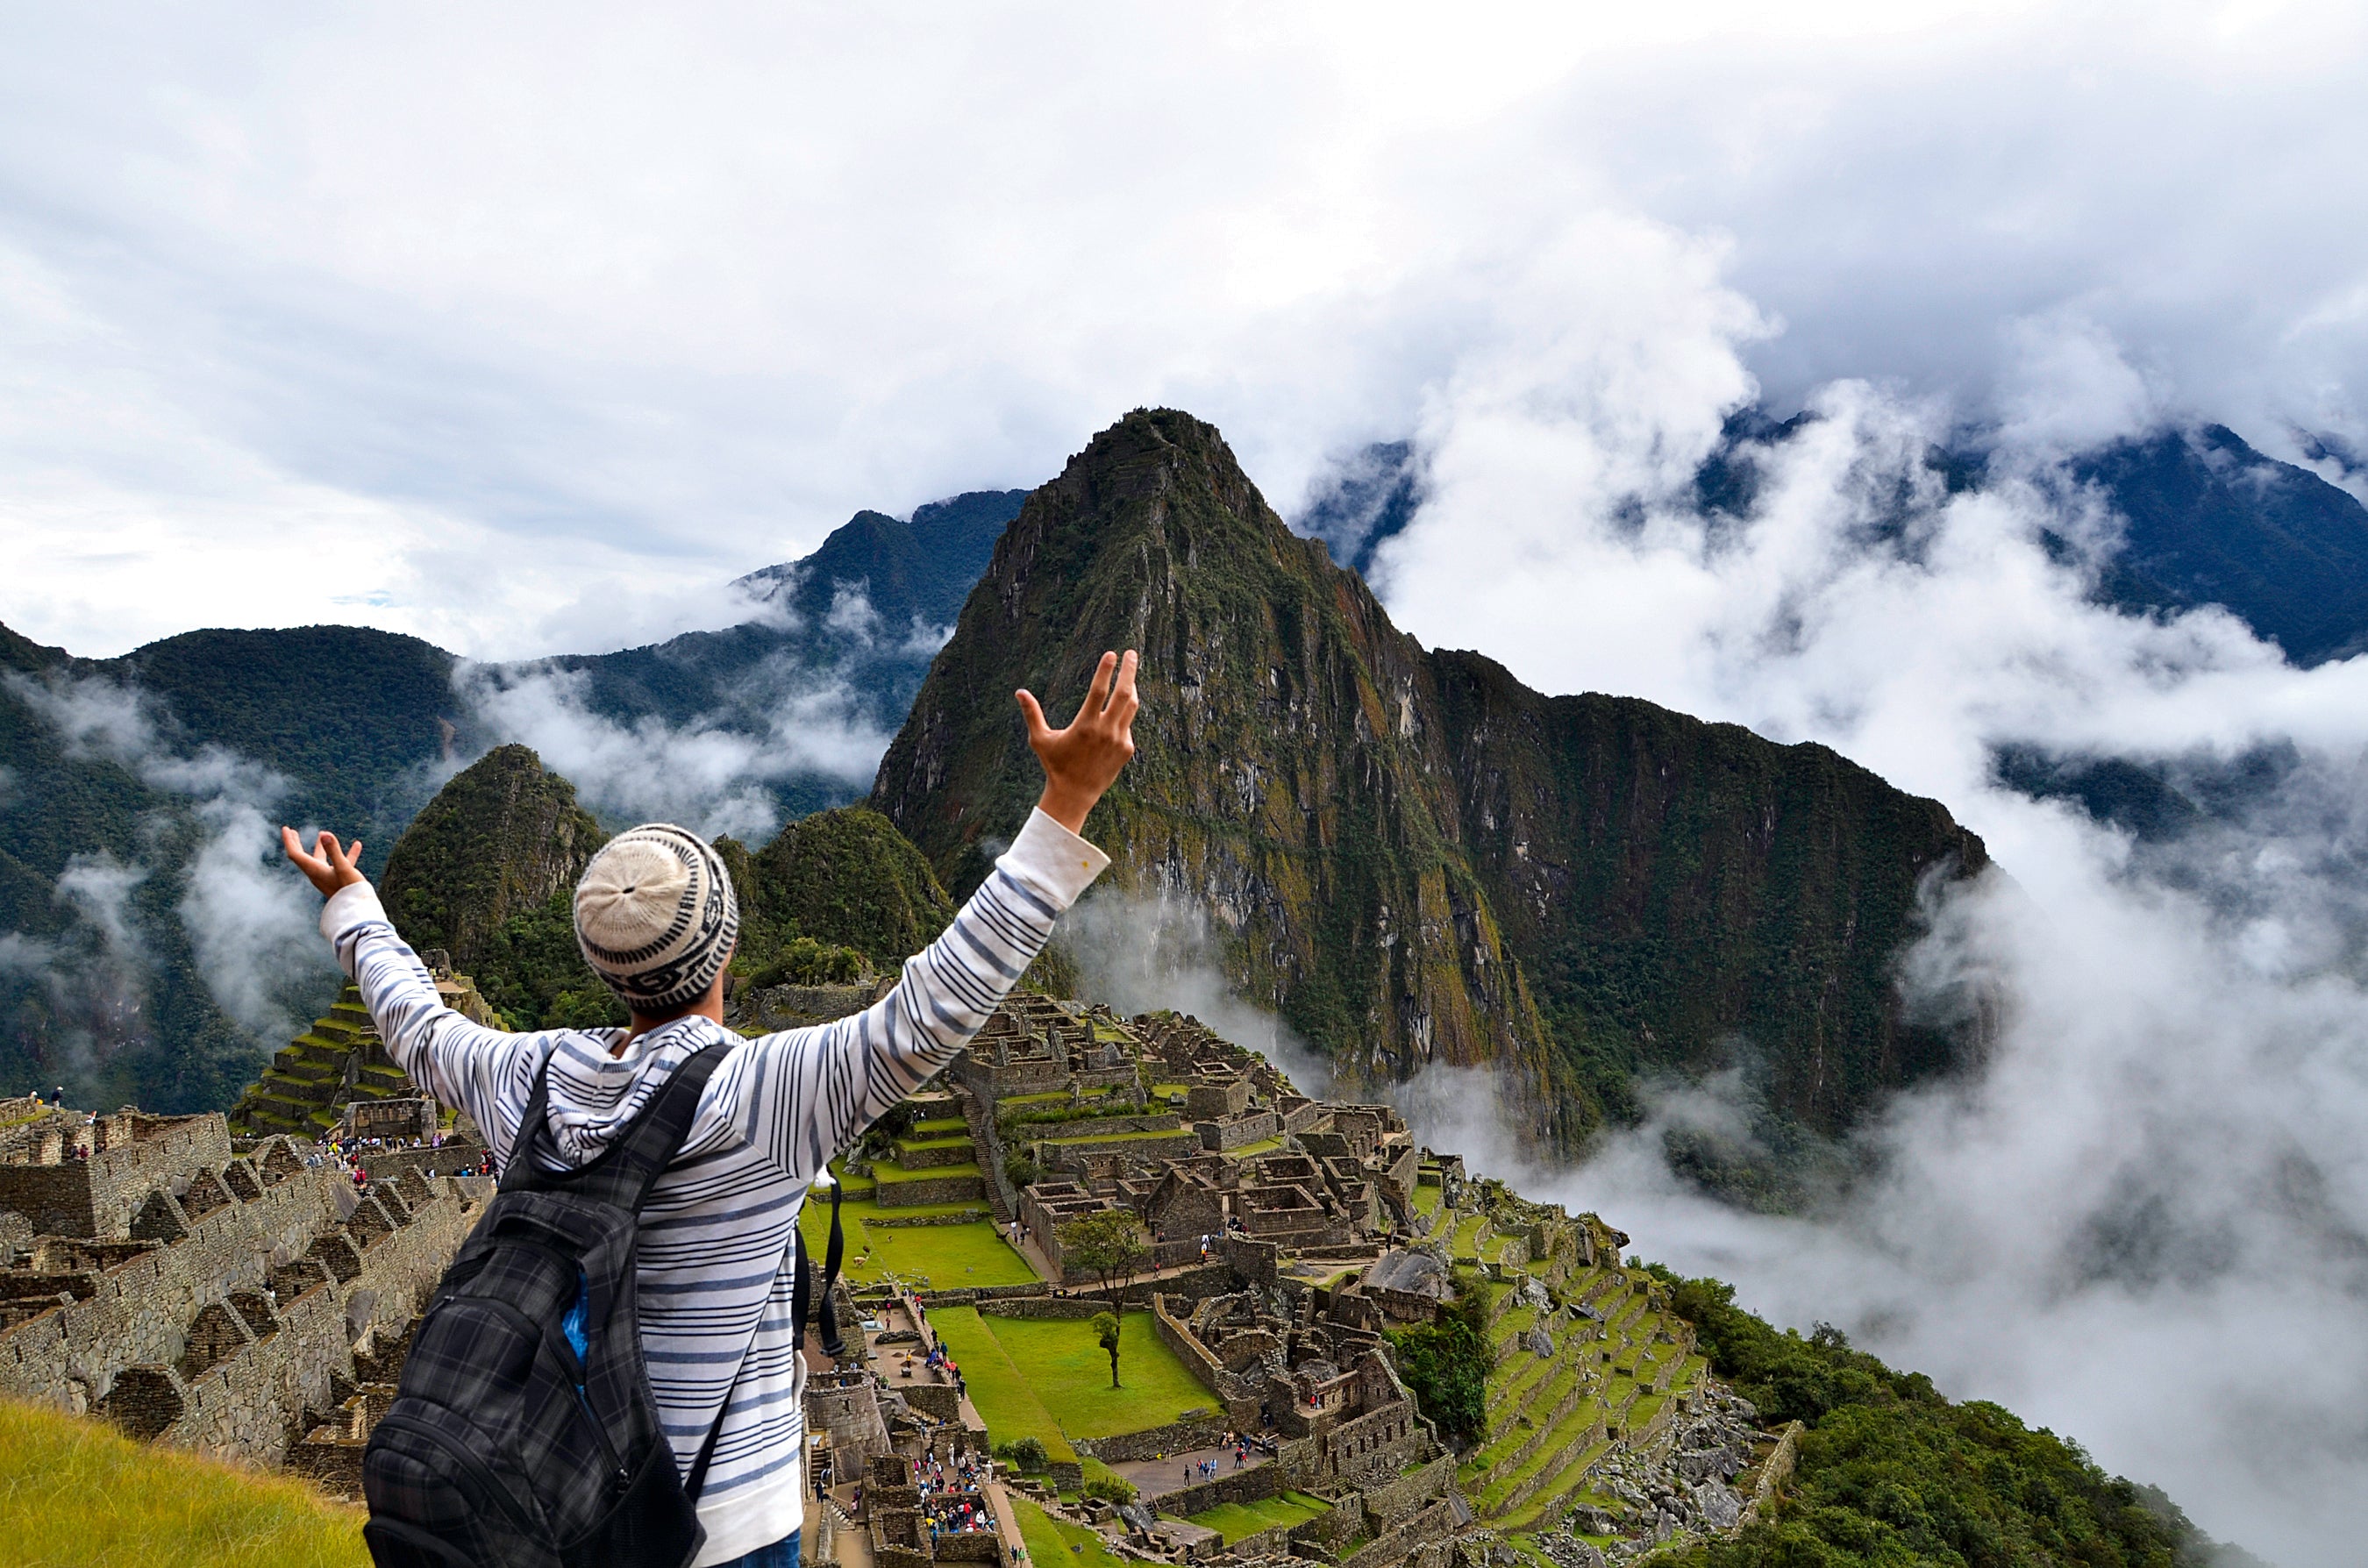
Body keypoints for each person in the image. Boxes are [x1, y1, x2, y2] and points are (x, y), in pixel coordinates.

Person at [280, 650, 1140, 1568]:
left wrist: (355, 908)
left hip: (558, 1504)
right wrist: (1067, 802)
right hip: (718, 1526)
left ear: (600, 963)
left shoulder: (523, 1080)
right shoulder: (760, 1099)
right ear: (727, 948)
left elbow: (416, 1023)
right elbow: (928, 1013)